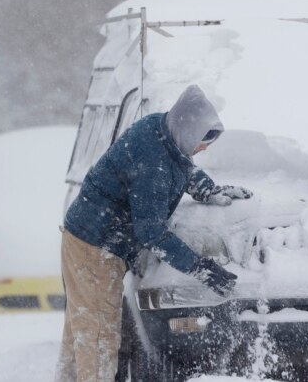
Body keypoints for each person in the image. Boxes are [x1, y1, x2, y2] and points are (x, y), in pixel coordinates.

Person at [55, 85, 252, 382]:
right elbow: (150, 232)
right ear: (186, 130)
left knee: (82, 335)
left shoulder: (161, 129)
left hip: (87, 237)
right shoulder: (153, 163)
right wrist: (200, 268)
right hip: (95, 247)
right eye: (201, 141)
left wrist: (206, 188)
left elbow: (180, 163)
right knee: (98, 338)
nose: (204, 148)